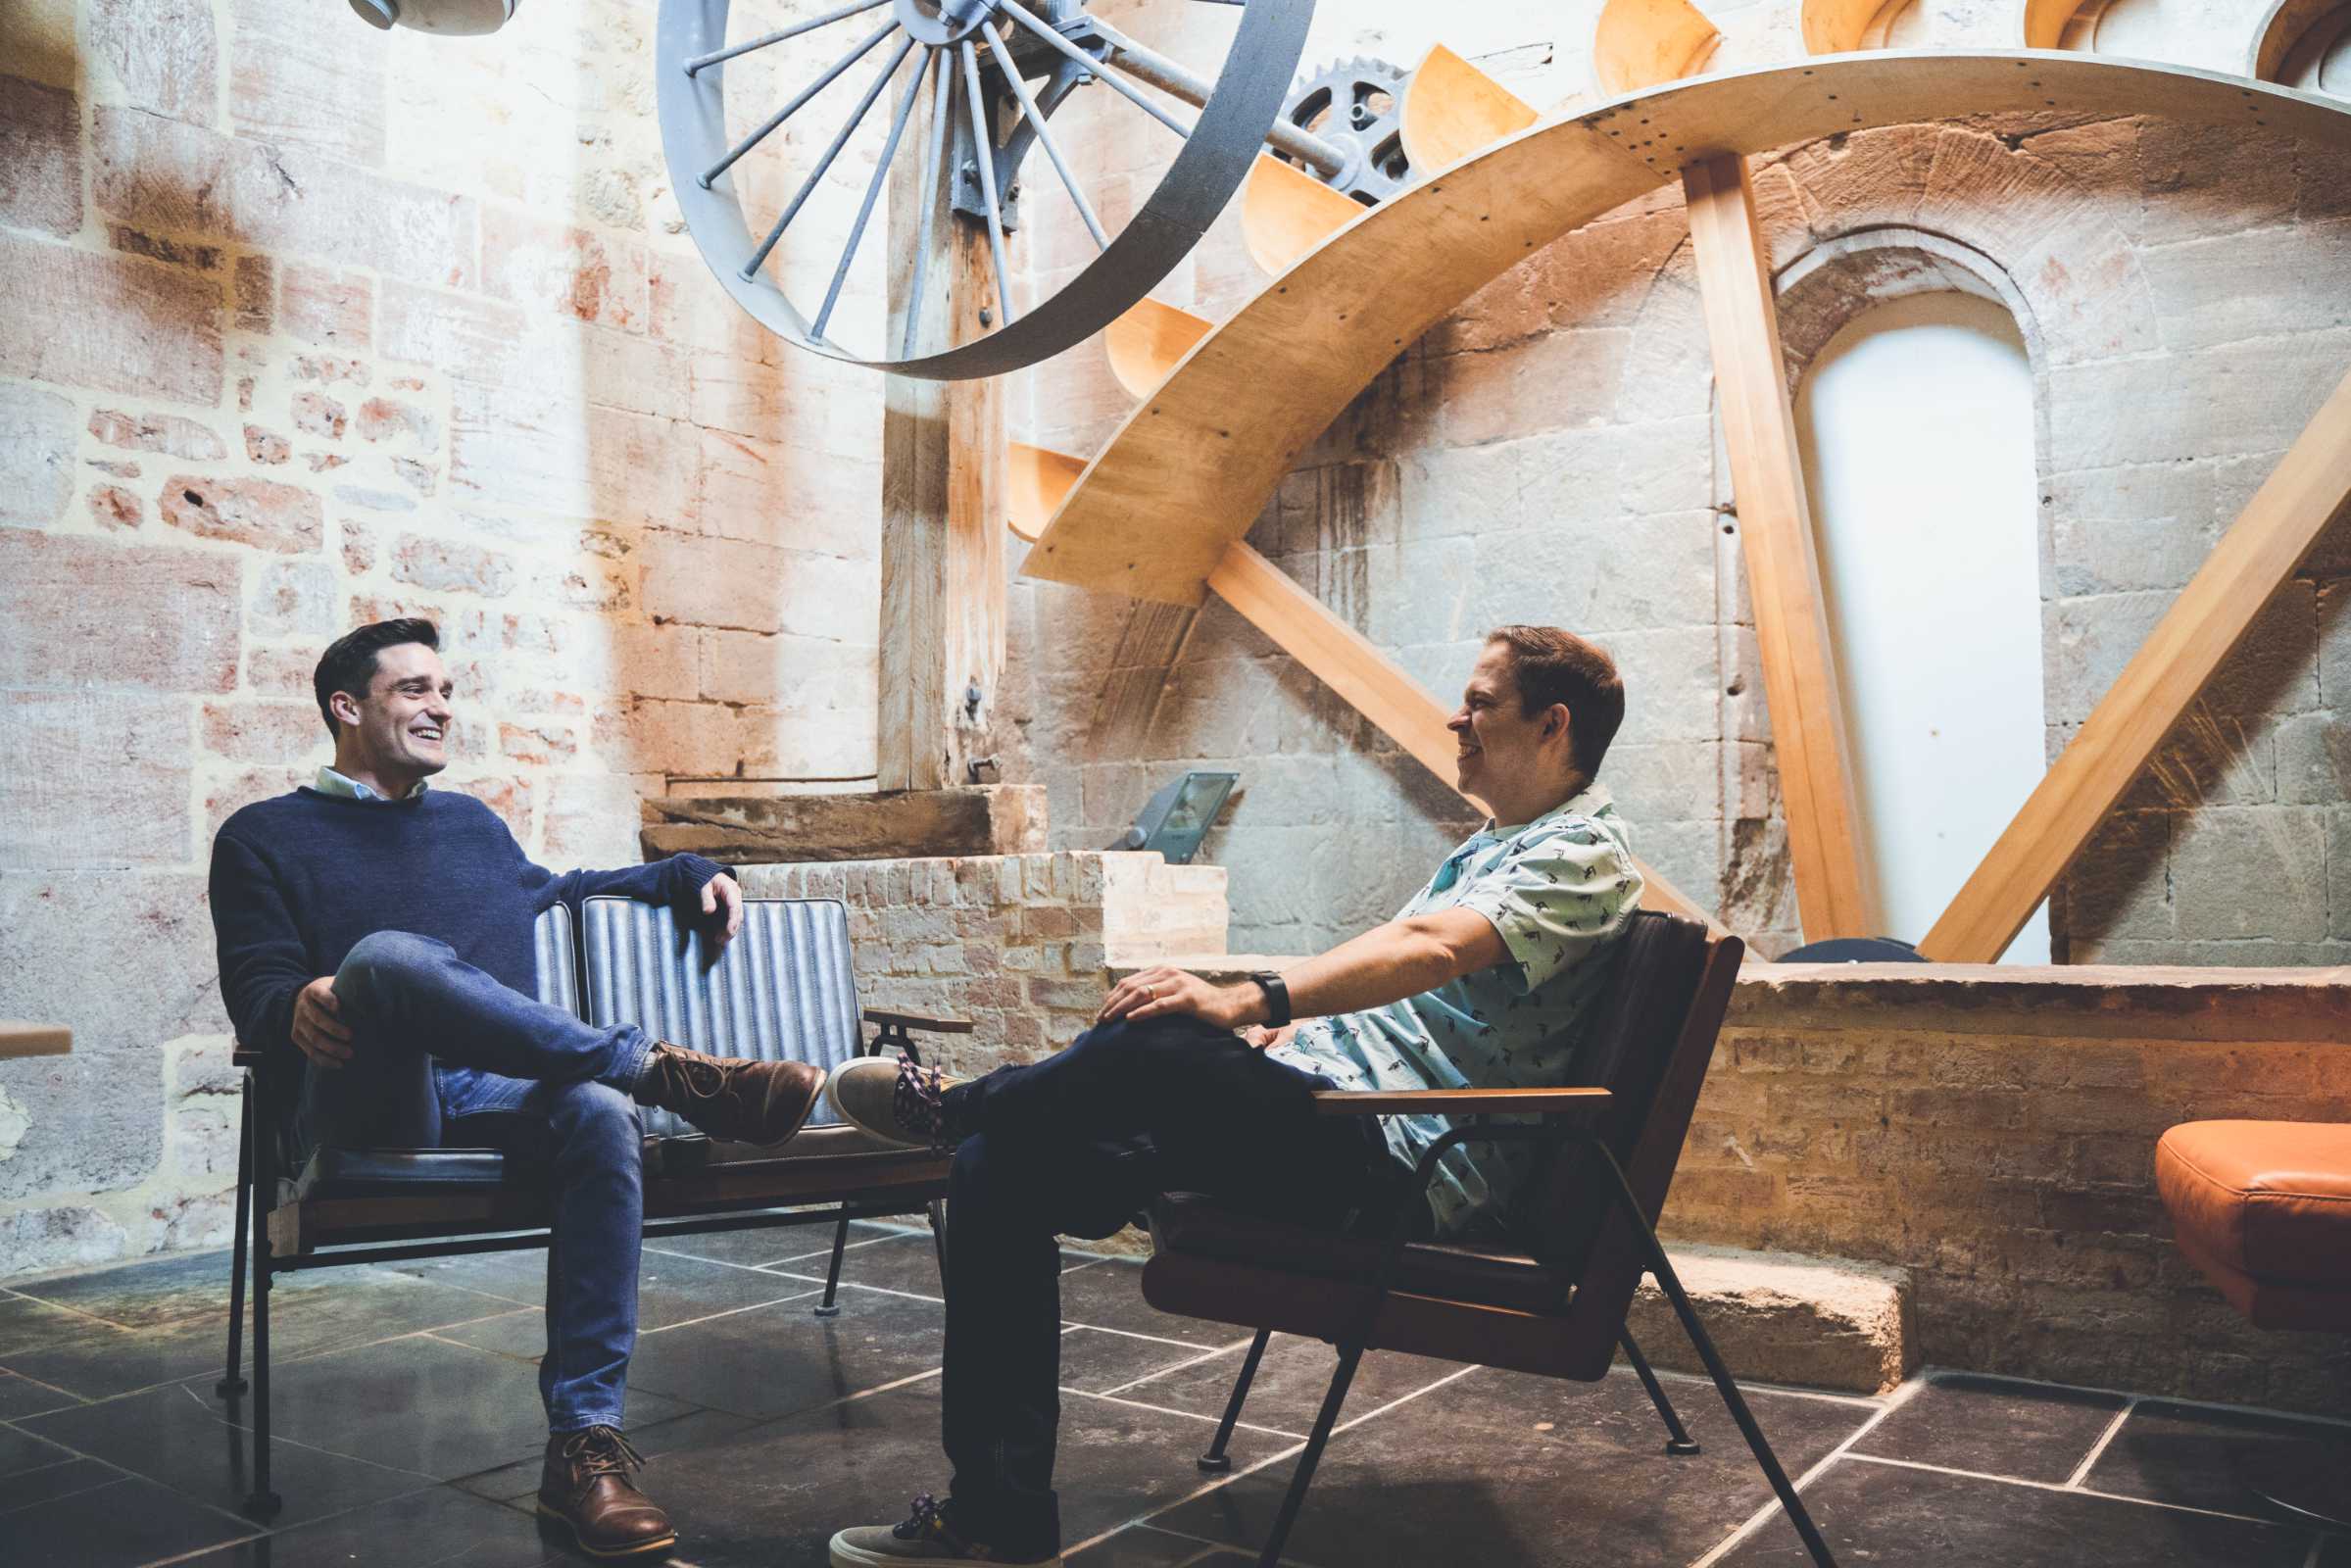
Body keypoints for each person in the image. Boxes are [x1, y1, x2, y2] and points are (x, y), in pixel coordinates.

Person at [823, 625, 1646, 1567]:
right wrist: (1289, 1030)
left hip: (1404, 1161)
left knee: (1162, 1034)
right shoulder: (1510, 840)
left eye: (1480, 702)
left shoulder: (1583, 851)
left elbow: (1434, 948)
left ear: (1552, 725)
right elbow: (1427, 995)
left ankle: (962, 1102)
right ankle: (996, 1511)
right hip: (1341, 1114)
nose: (1454, 718)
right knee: (997, 1171)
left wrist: (1254, 995)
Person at [209, 617, 827, 1560]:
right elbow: (254, 986)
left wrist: (691, 871)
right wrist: (292, 999)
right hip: (374, 1087)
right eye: (414, 689)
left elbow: (566, 888)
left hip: (503, 1087)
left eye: (446, 690)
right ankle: (667, 1070)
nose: (441, 706)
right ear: (347, 707)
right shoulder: (262, 835)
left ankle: (583, 1446)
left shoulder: (471, 824)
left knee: (597, 1106)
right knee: (383, 957)